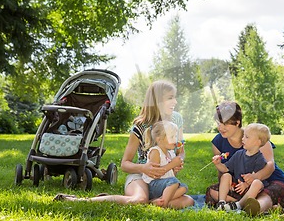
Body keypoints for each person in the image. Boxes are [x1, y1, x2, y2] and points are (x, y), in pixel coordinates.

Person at [54, 80, 194, 207]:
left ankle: (144, 201)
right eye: (170, 98)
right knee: (139, 200)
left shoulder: (176, 119)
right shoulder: (140, 126)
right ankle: (79, 200)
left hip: (163, 180)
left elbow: (180, 150)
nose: (175, 101)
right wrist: (144, 168)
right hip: (140, 177)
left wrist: (178, 161)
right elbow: (125, 164)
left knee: (188, 200)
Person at [205, 101, 284, 216]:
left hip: (269, 181)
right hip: (242, 185)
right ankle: (246, 205)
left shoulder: (255, 135)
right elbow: (223, 170)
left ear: (237, 122)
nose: (220, 127)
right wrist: (227, 184)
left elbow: (270, 166)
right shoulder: (218, 141)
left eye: (225, 124)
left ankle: (257, 206)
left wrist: (254, 177)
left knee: (267, 192)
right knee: (213, 191)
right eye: (218, 123)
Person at [212, 123, 269, 212]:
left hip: (251, 191)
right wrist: (218, 164)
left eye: (246, 137)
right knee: (226, 176)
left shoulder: (260, 159)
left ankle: (238, 205)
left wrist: (245, 185)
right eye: (243, 136)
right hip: (237, 188)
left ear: (257, 142)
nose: (242, 139)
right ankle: (221, 202)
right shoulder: (238, 154)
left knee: (257, 183)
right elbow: (225, 168)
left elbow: (254, 177)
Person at [141, 120, 191, 209]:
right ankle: (162, 204)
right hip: (154, 186)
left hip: (167, 186)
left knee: (185, 190)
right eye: (171, 137)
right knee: (174, 182)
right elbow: (155, 174)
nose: (175, 140)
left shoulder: (171, 153)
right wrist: (172, 164)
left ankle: (159, 202)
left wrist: (174, 170)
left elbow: (170, 175)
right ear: (159, 139)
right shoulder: (156, 152)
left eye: (175, 136)